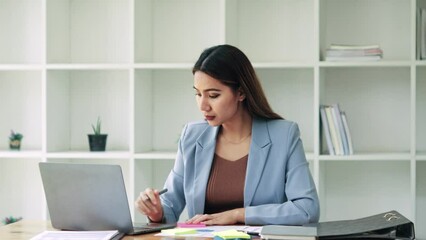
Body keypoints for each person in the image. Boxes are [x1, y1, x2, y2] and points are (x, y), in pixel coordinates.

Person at [135, 44, 320, 226]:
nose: (202, 105)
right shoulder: (192, 135)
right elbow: (170, 206)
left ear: (240, 93)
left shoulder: (284, 135)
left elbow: (307, 208)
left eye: (213, 95)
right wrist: (156, 212)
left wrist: (238, 215)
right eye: (198, 94)